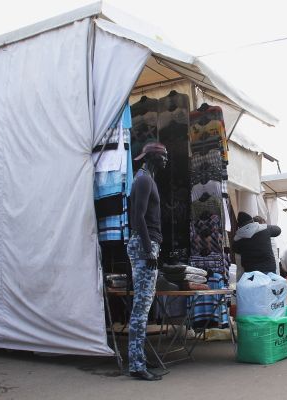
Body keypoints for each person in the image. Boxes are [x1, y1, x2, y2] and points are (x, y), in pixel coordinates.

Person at [126, 142, 168, 381]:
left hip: (148, 245)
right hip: (145, 246)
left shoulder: (147, 178)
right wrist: (147, 249)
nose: (167, 161)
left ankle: (138, 356)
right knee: (141, 309)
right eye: (164, 157)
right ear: (153, 157)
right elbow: (137, 217)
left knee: (143, 306)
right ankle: (136, 365)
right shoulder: (143, 179)